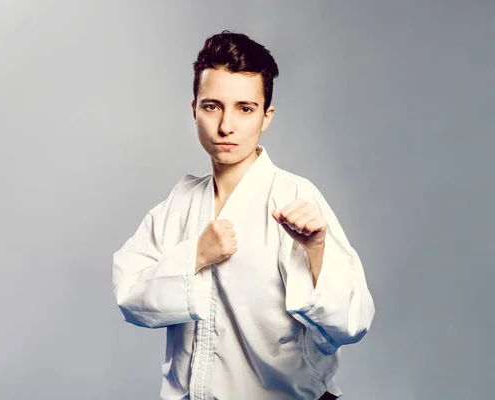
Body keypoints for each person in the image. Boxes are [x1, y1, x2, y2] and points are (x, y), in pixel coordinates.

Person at [112, 30, 375, 400]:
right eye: (212, 106)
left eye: (244, 108)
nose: (226, 126)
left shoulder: (294, 197)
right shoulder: (180, 203)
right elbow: (131, 298)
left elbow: (351, 323)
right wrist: (196, 256)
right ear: (194, 110)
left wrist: (316, 249)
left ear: (266, 117)